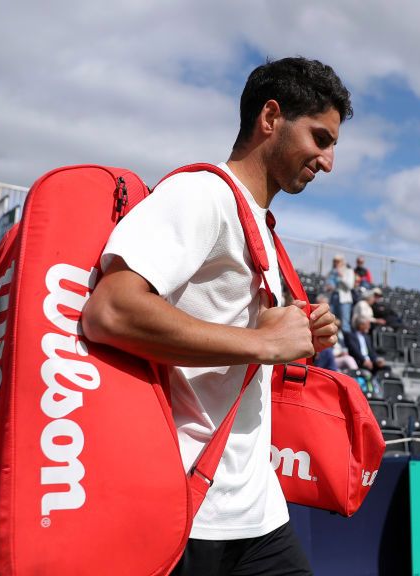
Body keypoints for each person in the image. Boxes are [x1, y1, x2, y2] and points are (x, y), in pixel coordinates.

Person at [81, 57, 351, 576]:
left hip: (257, 510)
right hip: (188, 509)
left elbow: (238, 334)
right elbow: (111, 310)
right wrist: (263, 344)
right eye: (320, 138)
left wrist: (294, 327)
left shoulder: (258, 223)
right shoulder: (201, 194)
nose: (329, 161)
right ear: (270, 117)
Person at [327, 254, 356, 329]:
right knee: (331, 321)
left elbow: (350, 286)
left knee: (344, 323)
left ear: (343, 262)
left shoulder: (349, 271)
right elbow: (327, 285)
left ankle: (345, 340)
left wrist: (341, 277)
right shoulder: (332, 272)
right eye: (335, 261)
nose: (336, 263)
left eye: (338, 261)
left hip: (344, 300)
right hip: (333, 298)